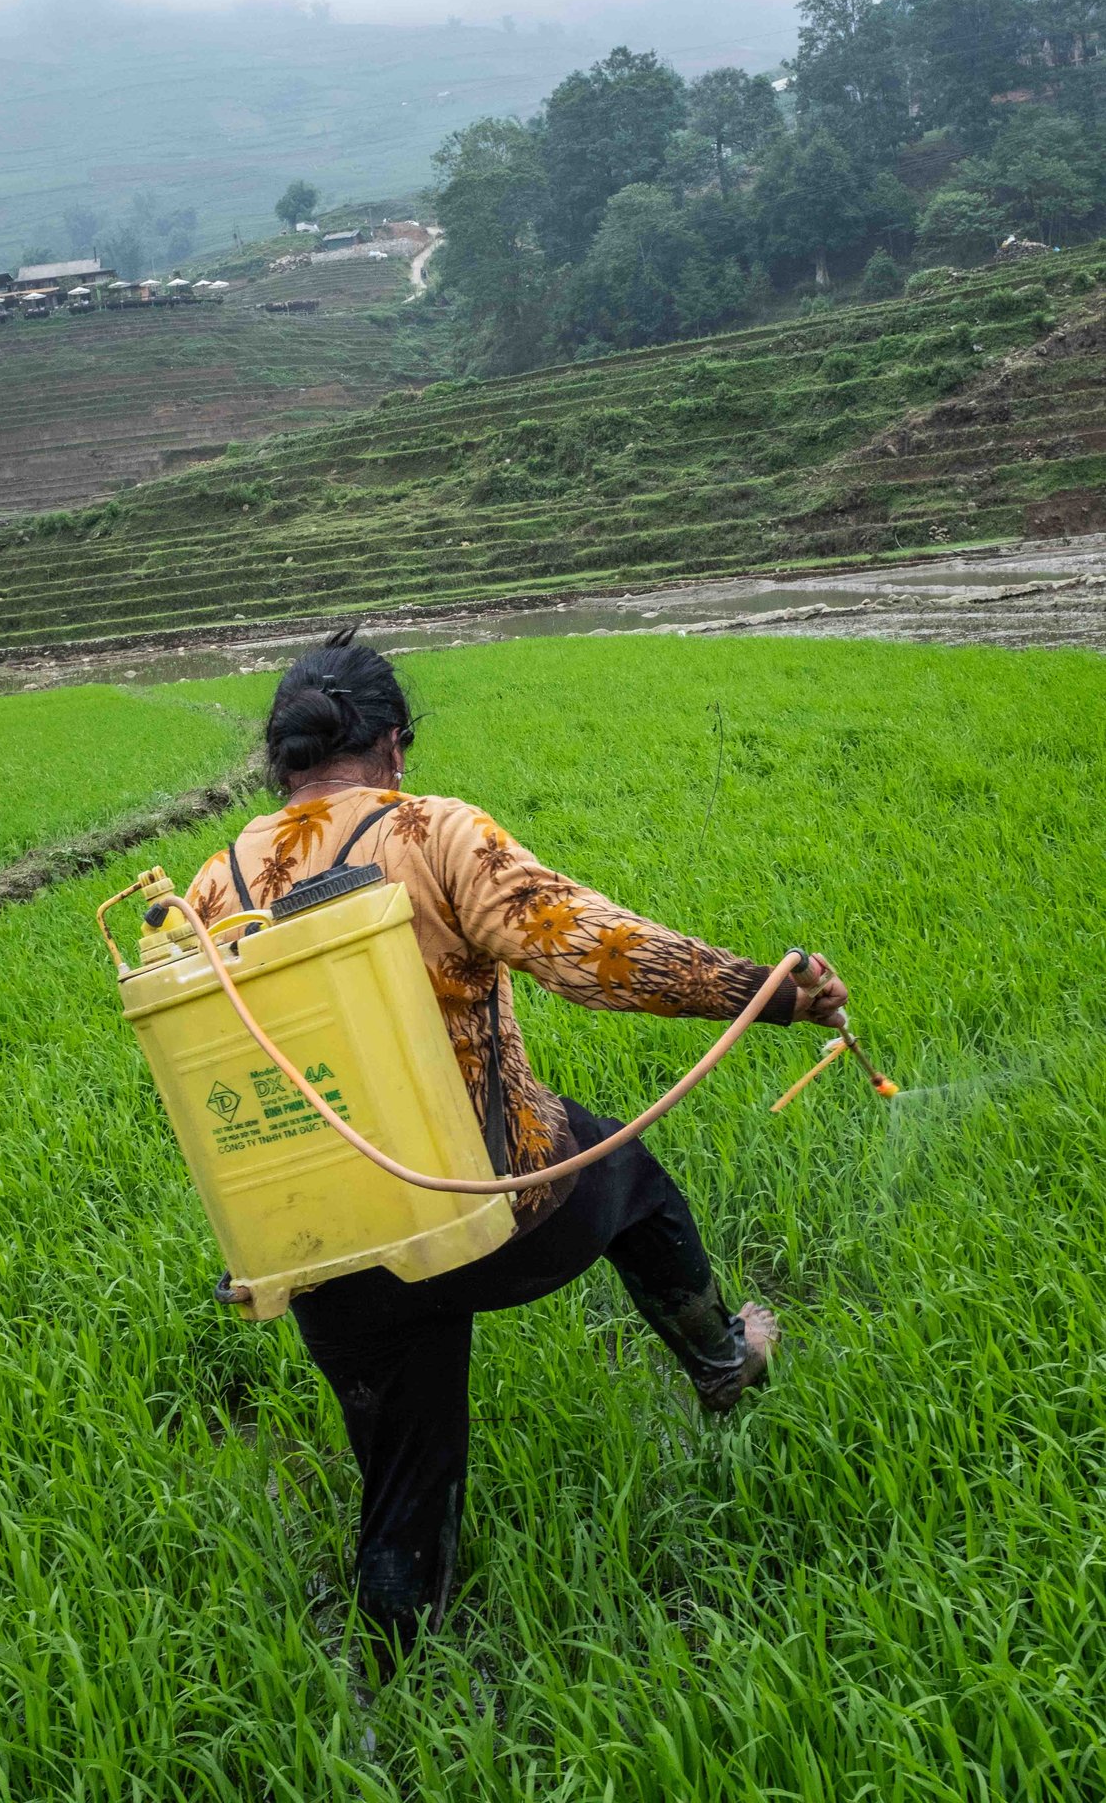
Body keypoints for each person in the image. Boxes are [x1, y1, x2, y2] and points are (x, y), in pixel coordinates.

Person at [187, 630, 847, 1657]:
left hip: (326, 1249)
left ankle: (396, 1692)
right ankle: (723, 1359)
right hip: (489, 1210)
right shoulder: (432, 832)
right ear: (395, 747)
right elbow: (593, 947)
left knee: (405, 1478)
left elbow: (214, 1089)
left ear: (285, 763)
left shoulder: (213, 886)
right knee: (623, 1170)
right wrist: (759, 991)